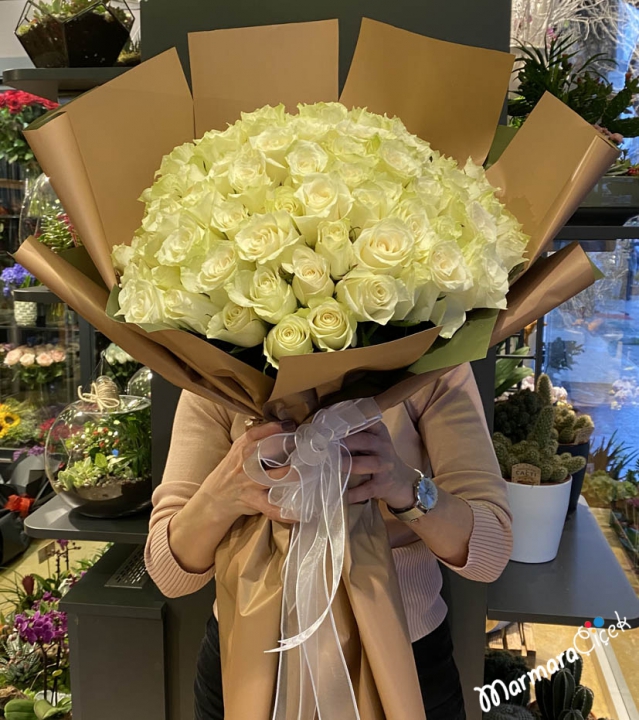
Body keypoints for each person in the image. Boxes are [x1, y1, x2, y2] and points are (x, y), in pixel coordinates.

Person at [145, 363, 513, 720]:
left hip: (401, 653)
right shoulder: (219, 369)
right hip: (248, 657)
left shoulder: (432, 364)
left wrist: (404, 485)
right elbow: (169, 572)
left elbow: (489, 552)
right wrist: (222, 494)